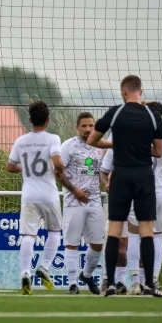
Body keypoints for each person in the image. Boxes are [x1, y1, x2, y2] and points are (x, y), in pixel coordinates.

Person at [87, 75, 162, 297]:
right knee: (147, 231)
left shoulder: (116, 112)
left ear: (123, 92)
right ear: (140, 92)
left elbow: (92, 140)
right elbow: (159, 151)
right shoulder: (152, 115)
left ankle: (111, 284)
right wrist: (141, 148)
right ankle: (149, 285)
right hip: (144, 176)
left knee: (114, 229)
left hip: (120, 175)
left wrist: (115, 143)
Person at [6, 100, 64, 295]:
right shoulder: (52, 138)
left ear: (30, 120)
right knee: (54, 232)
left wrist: (24, 168)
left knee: (28, 236)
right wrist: (60, 171)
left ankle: (25, 273)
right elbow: (57, 160)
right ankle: (44, 267)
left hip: (29, 194)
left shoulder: (21, 141)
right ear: (48, 120)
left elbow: (10, 166)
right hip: (49, 194)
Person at [125, 101, 162, 294]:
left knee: (135, 235)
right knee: (157, 236)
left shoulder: (133, 135)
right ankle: (152, 282)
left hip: (136, 188)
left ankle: (136, 282)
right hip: (158, 191)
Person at [57, 112, 104, 295]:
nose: (88, 129)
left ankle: (87, 274)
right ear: (77, 127)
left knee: (98, 242)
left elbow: (98, 170)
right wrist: (75, 190)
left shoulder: (100, 147)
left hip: (94, 201)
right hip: (73, 201)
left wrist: (106, 182)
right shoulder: (68, 146)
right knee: (72, 243)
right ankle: (72, 284)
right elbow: (58, 173)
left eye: (91, 126)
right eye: (84, 126)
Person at [99, 144, 130, 295]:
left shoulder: (144, 141)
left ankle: (122, 282)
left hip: (137, 199)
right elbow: (103, 171)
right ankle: (107, 279)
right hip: (117, 199)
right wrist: (106, 184)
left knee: (126, 243)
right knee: (111, 238)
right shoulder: (114, 144)